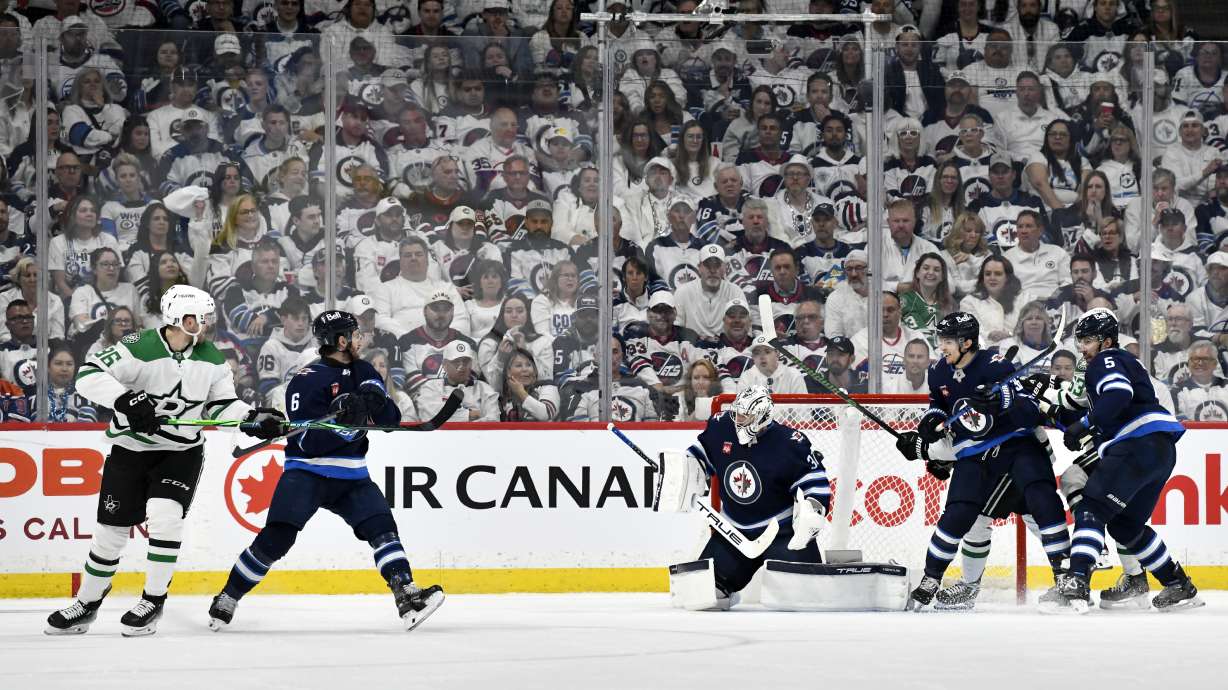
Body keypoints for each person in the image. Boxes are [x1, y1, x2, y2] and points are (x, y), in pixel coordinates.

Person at [46, 285, 283, 637]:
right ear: (177, 317)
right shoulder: (137, 346)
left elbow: (220, 407)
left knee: (165, 517)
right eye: (196, 318)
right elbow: (88, 375)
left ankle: (153, 600)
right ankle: (88, 602)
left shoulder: (212, 358)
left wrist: (251, 417)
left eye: (204, 318)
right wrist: (126, 400)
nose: (202, 324)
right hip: (130, 449)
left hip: (180, 453)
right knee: (110, 533)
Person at [208, 309, 445, 631]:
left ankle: (406, 594)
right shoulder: (306, 380)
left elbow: (391, 421)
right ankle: (229, 595)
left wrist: (374, 400)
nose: (361, 339)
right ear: (342, 340)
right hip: (307, 473)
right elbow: (306, 443)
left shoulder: (364, 369)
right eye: (355, 334)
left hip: (352, 475)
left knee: (383, 529)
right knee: (276, 540)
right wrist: (341, 420)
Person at [895, 311, 1070, 611]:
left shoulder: (995, 365)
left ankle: (1067, 578)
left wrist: (998, 400)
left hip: (1016, 445)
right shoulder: (938, 372)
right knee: (959, 513)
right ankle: (932, 578)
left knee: (1042, 501)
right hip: (975, 454)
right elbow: (938, 406)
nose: (941, 347)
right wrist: (930, 423)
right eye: (941, 340)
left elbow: (1028, 408)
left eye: (947, 341)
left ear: (966, 342)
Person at [1051, 309, 1201, 613]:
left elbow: (1118, 394)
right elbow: (1091, 403)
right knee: (1125, 524)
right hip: (1159, 449)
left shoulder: (1107, 359)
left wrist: (1085, 424)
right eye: (1080, 340)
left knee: (1091, 506)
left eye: (1089, 340)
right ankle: (1177, 584)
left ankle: (1077, 583)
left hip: (1136, 442)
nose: (1083, 347)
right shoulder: (1113, 363)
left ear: (1106, 341)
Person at [671, 385, 830, 609]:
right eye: (737, 413)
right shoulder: (721, 426)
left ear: (762, 417)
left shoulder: (789, 443)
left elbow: (814, 483)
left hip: (782, 533)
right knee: (702, 597)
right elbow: (700, 455)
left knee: (805, 601)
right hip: (733, 532)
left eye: (746, 416)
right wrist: (682, 472)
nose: (738, 420)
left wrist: (811, 512)